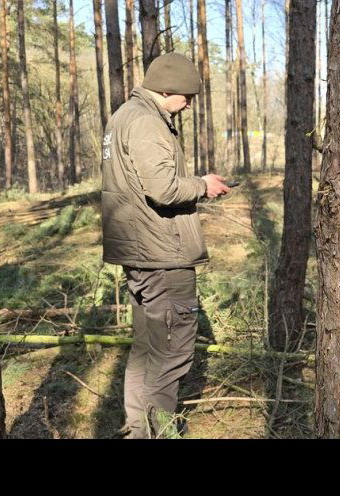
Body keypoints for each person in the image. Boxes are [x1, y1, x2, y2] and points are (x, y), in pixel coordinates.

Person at [101, 53, 230, 438]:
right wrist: (202, 185)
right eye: (186, 95)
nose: (189, 103)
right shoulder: (145, 122)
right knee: (171, 352)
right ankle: (160, 432)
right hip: (162, 254)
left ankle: (139, 430)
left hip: (143, 252)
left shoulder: (125, 115)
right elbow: (162, 189)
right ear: (166, 88)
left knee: (146, 349)